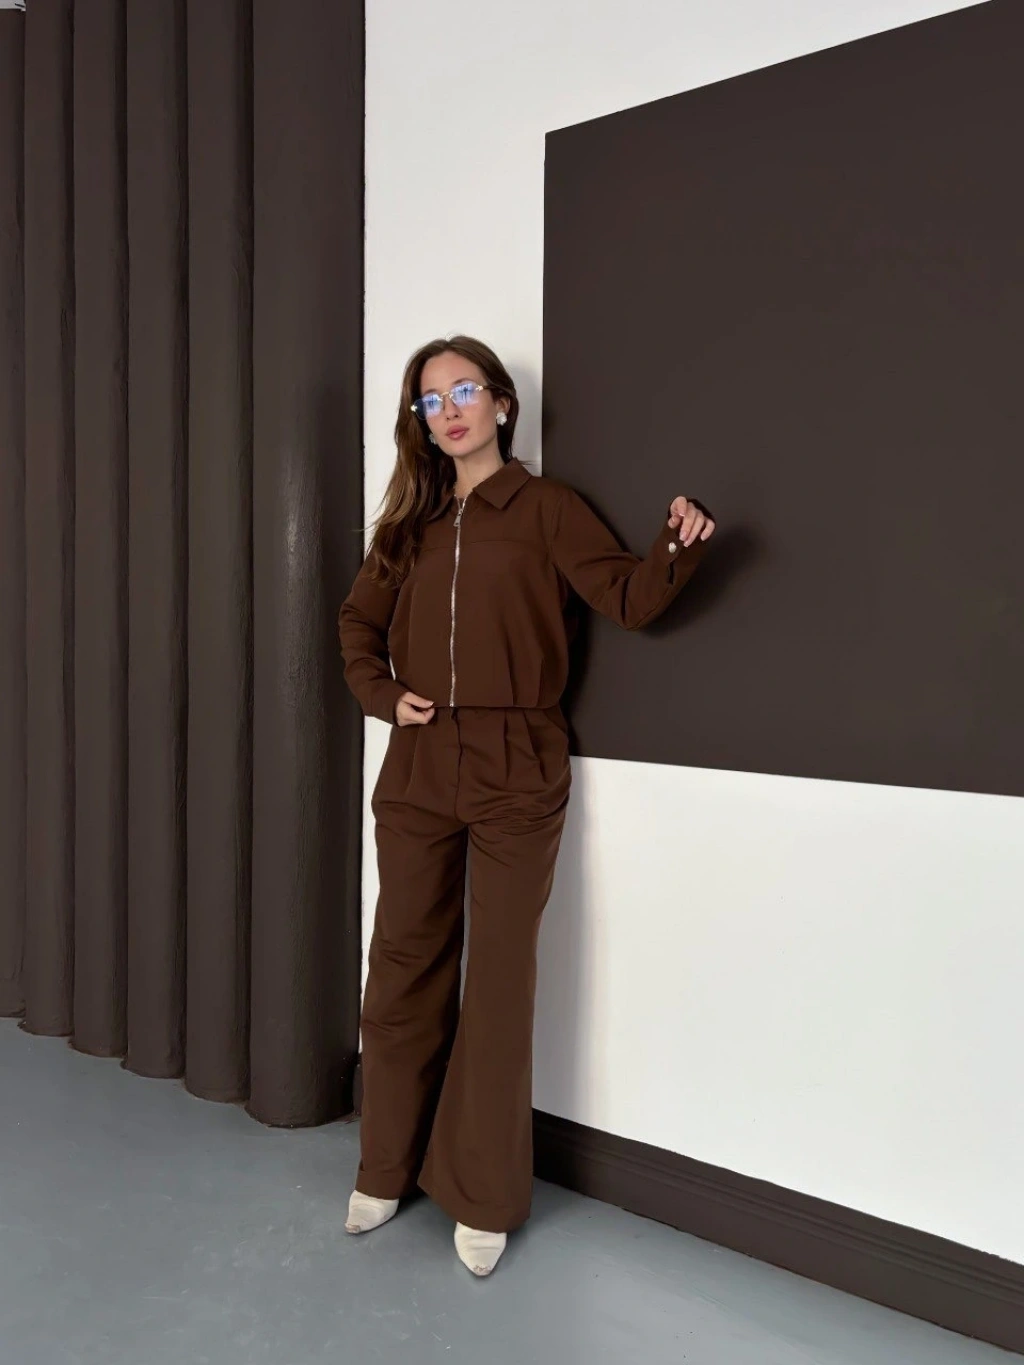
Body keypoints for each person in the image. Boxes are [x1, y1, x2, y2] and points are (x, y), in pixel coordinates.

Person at [337, 334, 715, 1277]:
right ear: (421, 422)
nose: (450, 410)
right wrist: (385, 696)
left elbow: (626, 596)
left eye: (465, 389)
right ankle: (385, 1165)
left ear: (501, 403)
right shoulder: (409, 524)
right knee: (403, 964)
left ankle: (482, 1192)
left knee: (499, 980)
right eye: (431, 400)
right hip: (422, 761)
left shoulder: (546, 509)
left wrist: (676, 546)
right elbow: (356, 625)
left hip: (518, 761)